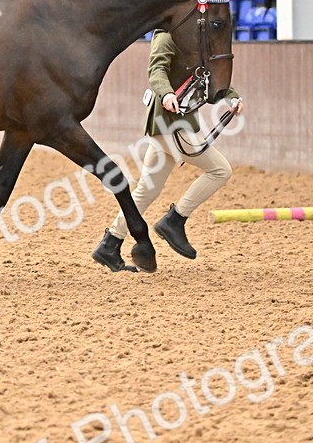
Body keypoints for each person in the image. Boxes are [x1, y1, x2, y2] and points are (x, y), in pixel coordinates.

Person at [91, 28, 243, 273]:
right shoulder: (166, 36)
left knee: (147, 190)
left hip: (173, 126)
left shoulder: (195, 38)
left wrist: (232, 97)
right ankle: (175, 220)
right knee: (220, 170)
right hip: (169, 122)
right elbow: (157, 70)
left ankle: (110, 243)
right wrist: (166, 93)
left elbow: (211, 74)